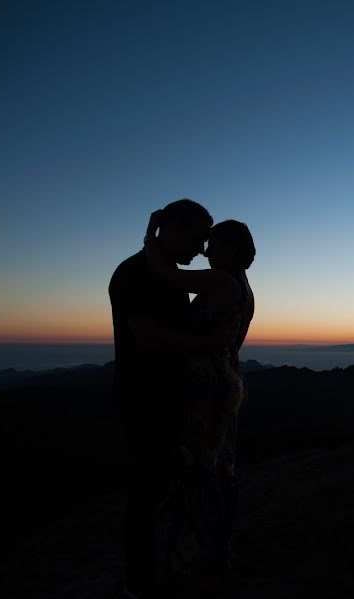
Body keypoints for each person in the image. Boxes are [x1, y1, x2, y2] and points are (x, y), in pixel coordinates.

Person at [109, 198, 217, 598]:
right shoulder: (134, 273)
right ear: (173, 230)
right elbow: (149, 339)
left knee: (165, 487)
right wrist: (208, 343)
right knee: (146, 491)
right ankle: (140, 582)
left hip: (171, 396)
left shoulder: (166, 273)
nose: (202, 249)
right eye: (198, 238)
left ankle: (165, 566)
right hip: (143, 399)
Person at [144, 212, 256, 594]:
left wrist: (153, 230)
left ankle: (199, 555)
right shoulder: (244, 287)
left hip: (206, 385)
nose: (206, 252)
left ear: (233, 248)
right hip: (228, 379)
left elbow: (165, 275)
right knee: (220, 467)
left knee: (198, 467)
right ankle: (217, 549)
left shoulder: (220, 280)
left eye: (214, 244)